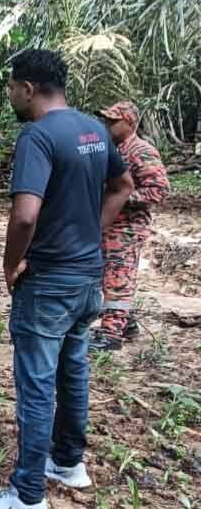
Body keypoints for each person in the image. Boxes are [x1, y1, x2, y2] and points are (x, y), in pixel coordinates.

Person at [0, 49, 133, 509]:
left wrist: (9, 264)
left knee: (37, 384)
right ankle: (67, 462)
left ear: (27, 87)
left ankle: (27, 496)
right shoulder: (92, 130)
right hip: (88, 277)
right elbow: (122, 185)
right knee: (73, 369)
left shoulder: (37, 136)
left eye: (10, 86)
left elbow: (25, 214)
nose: (9, 94)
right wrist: (91, 231)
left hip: (48, 282)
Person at [89, 101, 170, 352]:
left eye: (114, 121)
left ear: (130, 123)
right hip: (108, 225)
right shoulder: (109, 149)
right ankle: (126, 323)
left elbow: (159, 190)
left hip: (127, 228)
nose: (107, 125)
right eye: (106, 120)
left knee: (117, 278)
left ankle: (111, 334)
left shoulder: (140, 150)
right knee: (110, 277)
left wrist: (119, 198)